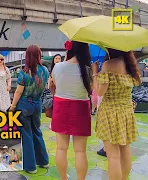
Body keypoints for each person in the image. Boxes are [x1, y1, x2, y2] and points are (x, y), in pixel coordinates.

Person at [91, 48, 141, 180]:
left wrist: (95, 73)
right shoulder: (130, 65)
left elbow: (100, 92)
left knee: (113, 155)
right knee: (125, 152)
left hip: (110, 112)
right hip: (126, 112)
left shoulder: (109, 65)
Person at [50, 41, 92, 180]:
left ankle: (64, 178)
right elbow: (91, 90)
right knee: (80, 150)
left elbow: (55, 85)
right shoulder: (88, 69)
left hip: (61, 106)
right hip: (81, 108)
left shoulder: (58, 66)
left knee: (61, 148)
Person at [9, 45, 49, 174]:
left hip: (24, 106)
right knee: (37, 131)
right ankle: (43, 161)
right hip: (37, 105)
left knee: (26, 135)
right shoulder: (45, 70)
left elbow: (18, 93)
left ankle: (30, 166)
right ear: (38, 55)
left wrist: (12, 107)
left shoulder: (24, 73)